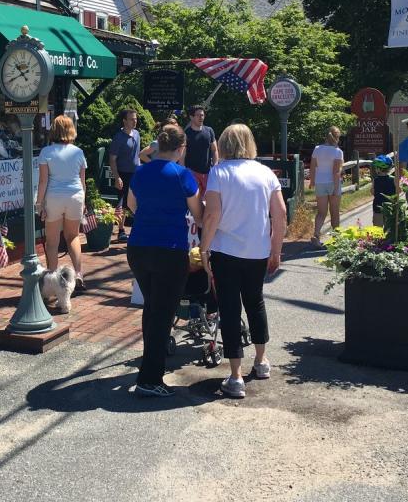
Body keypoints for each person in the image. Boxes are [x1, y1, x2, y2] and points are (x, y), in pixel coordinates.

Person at [199, 124, 286, 400]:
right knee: (255, 302)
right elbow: (281, 214)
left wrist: (203, 248)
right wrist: (276, 249)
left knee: (230, 307)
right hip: (258, 250)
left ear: (223, 144)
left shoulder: (219, 172)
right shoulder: (265, 173)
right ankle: (261, 361)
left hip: (226, 251)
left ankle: (235, 374)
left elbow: (212, 215)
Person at [126, 124, 204, 397]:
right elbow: (199, 213)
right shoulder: (183, 175)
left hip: (138, 247)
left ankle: (149, 369)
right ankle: (149, 379)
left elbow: (131, 206)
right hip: (169, 249)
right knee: (162, 313)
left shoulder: (140, 172)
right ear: (181, 148)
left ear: (158, 146)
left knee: (153, 309)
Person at [36, 115, 88, 288]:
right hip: (75, 196)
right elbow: (82, 181)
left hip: (54, 197)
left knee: (52, 240)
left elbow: (43, 181)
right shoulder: (78, 152)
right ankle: (78, 272)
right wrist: (83, 201)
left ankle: (52, 277)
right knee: (72, 236)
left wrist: (39, 204)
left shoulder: (46, 152)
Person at [108, 108, 140, 242]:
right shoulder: (118, 138)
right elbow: (112, 159)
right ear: (124, 121)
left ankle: (136, 229)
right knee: (122, 202)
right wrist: (117, 177)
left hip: (135, 173)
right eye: (132, 119)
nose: (135, 121)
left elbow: (137, 155)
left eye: (136, 119)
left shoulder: (137, 134)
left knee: (134, 201)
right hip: (122, 173)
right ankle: (121, 230)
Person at [309, 126, 344, 246]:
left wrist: (312, 181)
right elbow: (336, 172)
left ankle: (316, 235)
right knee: (334, 212)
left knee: (321, 212)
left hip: (320, 182)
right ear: (337, 137)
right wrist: (335, 187)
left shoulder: (317, 149)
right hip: (333, 183)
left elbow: (313, 167)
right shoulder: (337, 151)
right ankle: (336, 239)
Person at [183, 105, 219, 194]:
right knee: (196, 199)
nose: (201, 117)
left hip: (208, 172)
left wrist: (215, 167)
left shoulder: (209, 131)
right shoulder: (186, 133)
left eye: (202, 115)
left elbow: (214, 150)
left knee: (208, 198)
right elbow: (182, 155)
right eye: (198, 115)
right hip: (192, 172)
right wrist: (184, 171)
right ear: (191, 117)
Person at [371, 154, 396, 227]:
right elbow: (398, 191)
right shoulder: (393, 179)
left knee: (377, 227)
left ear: (379, 168)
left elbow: (372, 191)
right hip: (390, 206)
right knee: (389, 227)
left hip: (378, 206)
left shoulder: (375, 180)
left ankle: (378, 238)